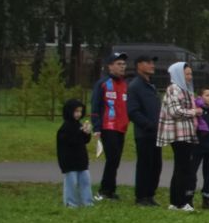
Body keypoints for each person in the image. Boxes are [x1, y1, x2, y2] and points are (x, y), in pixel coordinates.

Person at [158, 60, 201, 213]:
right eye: (187, 74)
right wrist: (193, 112)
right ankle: (179, 202)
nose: (190, 77)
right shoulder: (174, 89)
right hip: (178, 133)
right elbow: (175, 111)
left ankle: (176, 201)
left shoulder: (186, 89)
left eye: (190, 74)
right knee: (182, 168)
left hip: (186, 133)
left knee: (182, 167)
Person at [128, 53, 163, 207]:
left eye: (152, 63)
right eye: (148, 63)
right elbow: (133, 112)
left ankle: (150, 194)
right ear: (139, 66)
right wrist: (149, 125)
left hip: (157, 133)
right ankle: (141, 196)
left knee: (156, 165)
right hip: (144, 134)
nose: (152, 66)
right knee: (145, 165)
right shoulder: (135, 86)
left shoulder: (151, 85)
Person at [93, 52, 129, 201]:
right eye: (118, 64)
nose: (122, 67)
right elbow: (96, 105)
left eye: (123, 64)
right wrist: (96, 127)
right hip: (108, 127)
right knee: (112, 159)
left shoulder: (125, 84)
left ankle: (110, 189)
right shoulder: (103, 83)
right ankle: (104, 190)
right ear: (110, 66)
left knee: (116, 160)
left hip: (122, 128)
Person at [57, 98, 94, 208]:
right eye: (76, 111)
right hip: (69, 161)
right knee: (71, 183)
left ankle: (88, 202)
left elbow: (84, 141)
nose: (78, 114)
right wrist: (80, 132)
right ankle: (70, 203)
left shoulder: (79, 125)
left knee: (85, 182)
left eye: (80, 111)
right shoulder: (65, 128)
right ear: (69, 111)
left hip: (81, 160)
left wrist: (86, 133)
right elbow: (71, 141)